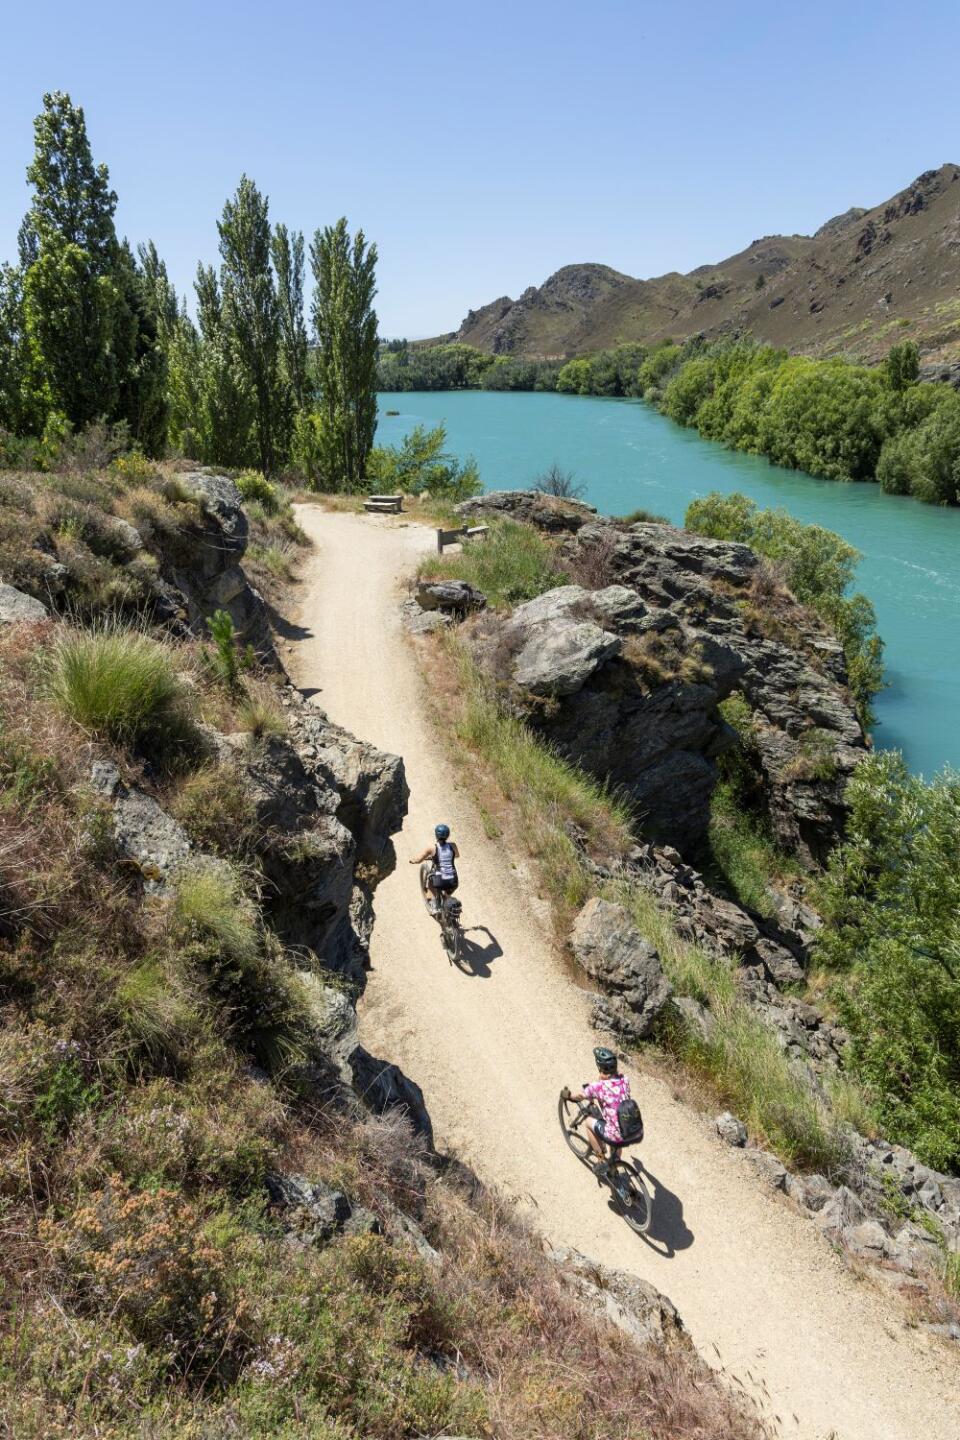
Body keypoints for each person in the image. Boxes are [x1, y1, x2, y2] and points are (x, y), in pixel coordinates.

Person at [564, 1046, 631, 1177]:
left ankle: (601, 1160)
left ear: (600, 1067)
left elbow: (579, 1096)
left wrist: (568, 1096)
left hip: (613, 1131)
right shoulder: (625, 1080)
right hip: (628, 1129)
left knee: (588, 1123)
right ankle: (615, 1163)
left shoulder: (598, 1087)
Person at [410, 824, 460, 915]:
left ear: (436, 835)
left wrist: (413, 861)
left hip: (440, 881)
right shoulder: (452, 846)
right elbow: (457, 855)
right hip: (454, 881)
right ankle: (447, 902)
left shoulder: (431, 848)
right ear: (448, 835)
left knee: (430, 881)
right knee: (448, 893)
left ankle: (433, 906)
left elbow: (419, 860)